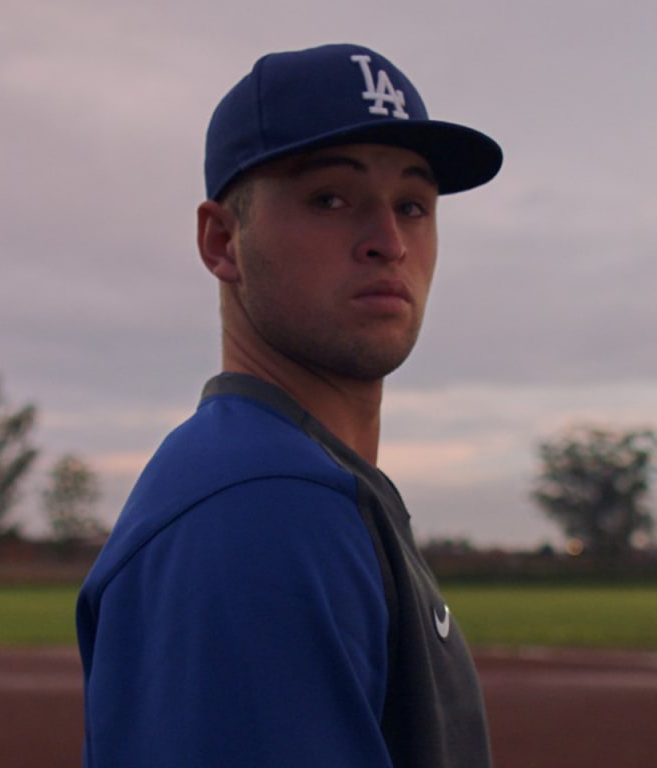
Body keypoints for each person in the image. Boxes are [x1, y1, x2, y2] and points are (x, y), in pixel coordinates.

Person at [75, 43, 503, 767]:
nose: (390, 242)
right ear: (222, 241)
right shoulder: (262, 505)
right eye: (330, 199)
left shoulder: (290, 479)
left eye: (413, 205)